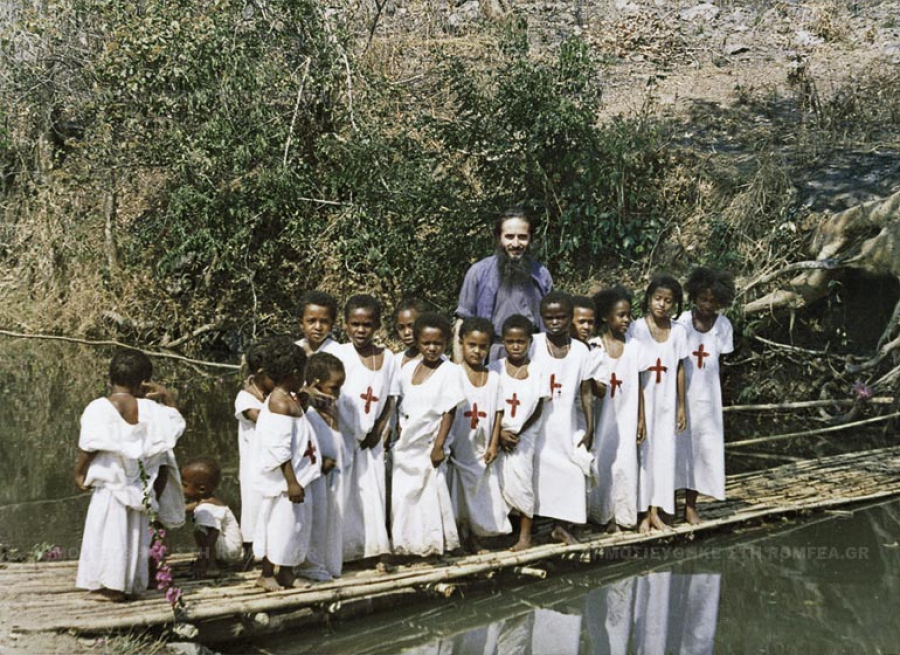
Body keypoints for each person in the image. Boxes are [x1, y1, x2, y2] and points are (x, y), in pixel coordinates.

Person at [75, 349, 185, 602]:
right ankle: (127, 583)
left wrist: (79, 472)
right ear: (143, 382)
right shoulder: (153, 410)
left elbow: (88, 446)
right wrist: (168, 397)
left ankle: (111, 587)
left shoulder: (100, 407)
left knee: (107, 532)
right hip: (140, 485)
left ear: (110, 378)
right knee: (132, 534)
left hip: (112, 484)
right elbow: (175, 425)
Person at [392, 312, 464, 557]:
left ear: (445, 342)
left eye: (438, 343)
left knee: (429, 494)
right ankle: (406, 545)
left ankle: (431, 545)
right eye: (426, 343)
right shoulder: (407, 369)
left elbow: (449, 410)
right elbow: (399, 405)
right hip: (407, 442)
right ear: (418, 342)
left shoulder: (451, 371)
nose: (432, 348)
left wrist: (439, 445)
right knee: (404, 495)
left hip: (431, 441)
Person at [252, 336, 321, 591]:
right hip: (285, 482)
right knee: (279, 526)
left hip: (299, 477)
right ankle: (267, 573)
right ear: (294, 373)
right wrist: (291, 481)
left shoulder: (288, 397)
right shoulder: (279, 403)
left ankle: (287, 572)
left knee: (295, 527)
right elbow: (279, 449)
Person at [529, 292, 596, 544]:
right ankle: (531, 527)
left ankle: (561, 525)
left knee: (573, 469)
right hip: (537, 423)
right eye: (549, 318)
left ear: (570, 318)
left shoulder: (580, 350)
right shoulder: (533, 344)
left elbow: (586, 391)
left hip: (566, 424)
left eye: (561, 317)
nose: (555, 322)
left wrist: (589, 427)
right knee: (533, 470)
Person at [335, 295, 397, 561]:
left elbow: (390, 397)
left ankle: (373, 549)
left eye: (367, 325)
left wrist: (378, 431)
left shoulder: (388, 357)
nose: (361, 330)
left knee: (372, 493)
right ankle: (344, 551)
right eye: (355, 324)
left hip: (371, 439)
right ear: (345, 324)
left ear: (377, 325)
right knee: (345, 494)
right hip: (344, 436)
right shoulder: (338, 354)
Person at [628, 274, 689, 534]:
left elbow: (679, 368)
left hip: (666, 401)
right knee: (642, 454)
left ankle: (656, 510)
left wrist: (681, 406)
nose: (662, 305)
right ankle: (642, 513)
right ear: (648, 298)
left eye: (668, 301)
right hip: (642, 399)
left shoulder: (678, 332)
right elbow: (631, 367)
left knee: (663, 454)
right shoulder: (636, 329)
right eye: (657, 299)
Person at [675, 268, 735, 524]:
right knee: (675, 450)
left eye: (713, 301)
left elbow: (720, 363)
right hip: (680, 397)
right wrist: (678, 403)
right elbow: (675, 362)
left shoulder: (723, 325)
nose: (707, 305)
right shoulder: (683, 322)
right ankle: (666, 506)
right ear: (693, 297)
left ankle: (690, 505)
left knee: (701, 450)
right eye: (703, 299)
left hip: (707, 400)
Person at [447, 317, 511, 552]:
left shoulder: (493, 378)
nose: (476, 351)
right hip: (459, 445)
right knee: (458, 494)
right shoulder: (454, 374)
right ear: (462, 343)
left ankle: (476, 536)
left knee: (480, 493)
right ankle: (459, 537)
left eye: (482, 346)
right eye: (471, 345)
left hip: (482, 446)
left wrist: (494, 444)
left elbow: (497, 414)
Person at [455, 208, 553, 360]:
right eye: (509, 237)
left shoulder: (541, 274)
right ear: (499, 238)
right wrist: (459, 368)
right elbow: (463, 321)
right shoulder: (479, 272)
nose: (515, 243)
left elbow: (551, 322)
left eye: (522, 237)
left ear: (530, 239)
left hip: (532, 355)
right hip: (489, 354)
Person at [587, 286, 645, 532]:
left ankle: (621, 516)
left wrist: (641, 419)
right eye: (621, 315)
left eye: (628, 315)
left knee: (624, 463)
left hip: (627, 416)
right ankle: (599, 515)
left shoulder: (634, 347)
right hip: (603, 419)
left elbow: (640, 386)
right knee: (601, 462)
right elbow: (591, 389)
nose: (626, 320)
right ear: (604, 317)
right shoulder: (594, 347)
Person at [495, 314, 548, 551]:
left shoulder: (537, 371)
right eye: (510, 341)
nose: (515, 346)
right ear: (503, 342)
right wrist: (500, 434)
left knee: (523, 482)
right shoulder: (494, 369)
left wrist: (518, 431)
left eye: (521, 342)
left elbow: (538, 407)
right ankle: (501, 531)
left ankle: (525, 536)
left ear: (529, 342)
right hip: (498, 435)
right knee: (498, 484)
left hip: (523, 437)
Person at [298, 352, 345, 580]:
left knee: (329, 520)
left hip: (332, 478)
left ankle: (326, 563)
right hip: (315, 475)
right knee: (314, 520)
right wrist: (309, 392)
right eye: (333, 387)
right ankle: (309, 565)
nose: (337, 394)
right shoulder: (305, 407)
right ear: (316, 384)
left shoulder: (330, 406)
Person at [234, 338, 273, 565]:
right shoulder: (245, 397)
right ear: (259, 373)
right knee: (253, 504)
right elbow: (263, 421)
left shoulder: (272, 395)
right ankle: (250, 551)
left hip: (271, 461)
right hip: (253, 463)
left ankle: (272, 552)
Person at [182, 457, 243, 578]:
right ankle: (211, 560)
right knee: (202, 529)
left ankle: (211, 565)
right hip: (231, 548)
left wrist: (204, 561)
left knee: (200, 532)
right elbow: (191, 506)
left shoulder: (206, 509)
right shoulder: (209, 501)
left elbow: (212, 536)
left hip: (227, 550)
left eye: (184, 485)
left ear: (201, 489)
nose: (181, 488)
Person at [296, 290, 341, 356]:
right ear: (301, 323)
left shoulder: (339, 353)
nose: (318, 327)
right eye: (312, 321)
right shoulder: (293, 351)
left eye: (324, 322)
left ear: (331, 324)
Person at [393, 297, 427, 366]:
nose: (406, 332)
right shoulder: (395, 361)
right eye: (401, 328)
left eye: (411, 326)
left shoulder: (436, 361)